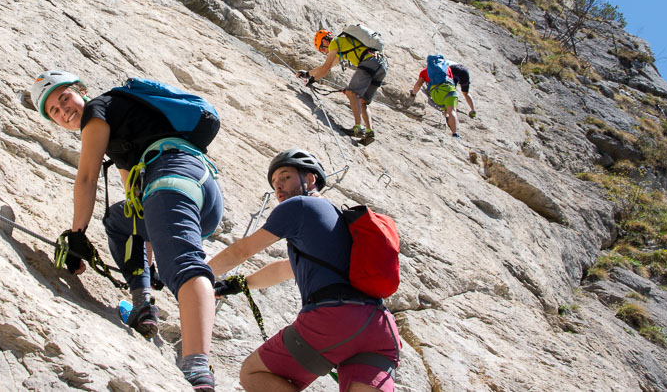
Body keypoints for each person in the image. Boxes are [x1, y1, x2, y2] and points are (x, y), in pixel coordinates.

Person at [31, 70, 224, 391]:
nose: (64, 110)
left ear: (81, 91)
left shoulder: (98, 110)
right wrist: (148, 265)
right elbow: (137, 202)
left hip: (173, 177)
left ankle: (197, 368)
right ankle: (142, 303)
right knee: (119, 221)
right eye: (55, 110)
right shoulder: (122, 135)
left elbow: (87, 177)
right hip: (202, 193)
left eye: (64, 98)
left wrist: (77, 235)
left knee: (184, 267)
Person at [208, 149, 401, 392]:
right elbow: (284, 270)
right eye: (275, 183)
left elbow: (241, 251)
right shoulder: (338, 220)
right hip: (379, 328)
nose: (278, 187)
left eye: (285, 177)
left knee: (253, 372)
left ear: (310, 179)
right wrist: (238, 284)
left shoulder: (298, 206)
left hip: (333, 320)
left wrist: (194, 275)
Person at [299, 29, 387, 144]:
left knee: (352, 93)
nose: (323, 51)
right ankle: (369, 132)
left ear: (325, 41)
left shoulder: (335, 42)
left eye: (322, 48)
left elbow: (326, 67)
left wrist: (311, 80)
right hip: (382, 64)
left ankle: (358, 128)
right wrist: (308, 74)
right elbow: (328, 67)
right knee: (362, 101)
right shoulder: (343, 45)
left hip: (370, 61)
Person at [408, 61, 460, 138]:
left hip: (437, 94)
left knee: (446, 110)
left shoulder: (424, 71)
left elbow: (418, 84)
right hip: (449, 89)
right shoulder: (447, 68)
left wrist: (413, 94)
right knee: (452, 110)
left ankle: (447, 119)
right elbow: (452, 81)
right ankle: (454, 133)